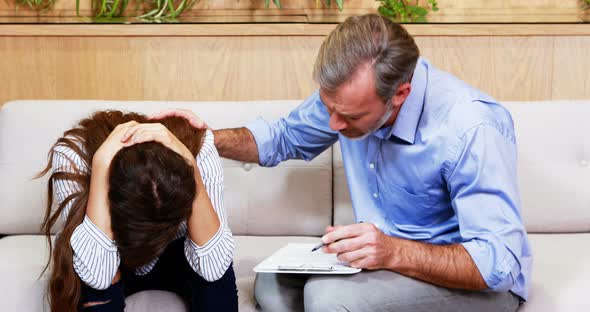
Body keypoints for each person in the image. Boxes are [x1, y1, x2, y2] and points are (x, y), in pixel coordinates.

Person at [152, 14, 532, 312]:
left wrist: (393, 251)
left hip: (474, 285)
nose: (333, 125)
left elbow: (498, 264)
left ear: (399, 94)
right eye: (329, 108)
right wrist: (204, 139)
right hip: (385, 262)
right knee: (272, 284)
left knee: (327, 300)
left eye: (348, 117)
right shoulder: (347, 98)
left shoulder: (470, 127)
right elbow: (284, 137)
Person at [38, 111, 238, 312]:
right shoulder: (74, 154)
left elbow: (214, 267)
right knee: (89, 272)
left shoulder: (198, 146)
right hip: (116, 258)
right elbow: (96, 276)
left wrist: (192, 169)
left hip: (177, 259)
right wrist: (101, 168)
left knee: (215, 264)